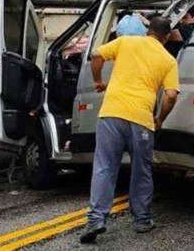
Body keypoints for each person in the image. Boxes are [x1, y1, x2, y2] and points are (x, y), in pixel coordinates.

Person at [80, 16, 180, 244]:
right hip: (142, 120)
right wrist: (160, 119)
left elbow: (96, 55)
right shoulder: (168, 59)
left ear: (148, 31)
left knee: (104, 167)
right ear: (165, 37)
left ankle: (96, 219)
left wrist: (97, 81)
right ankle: (142, 220)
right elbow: (171, 95)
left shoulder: (127, 42)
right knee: (141, 170)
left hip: (112, 114)